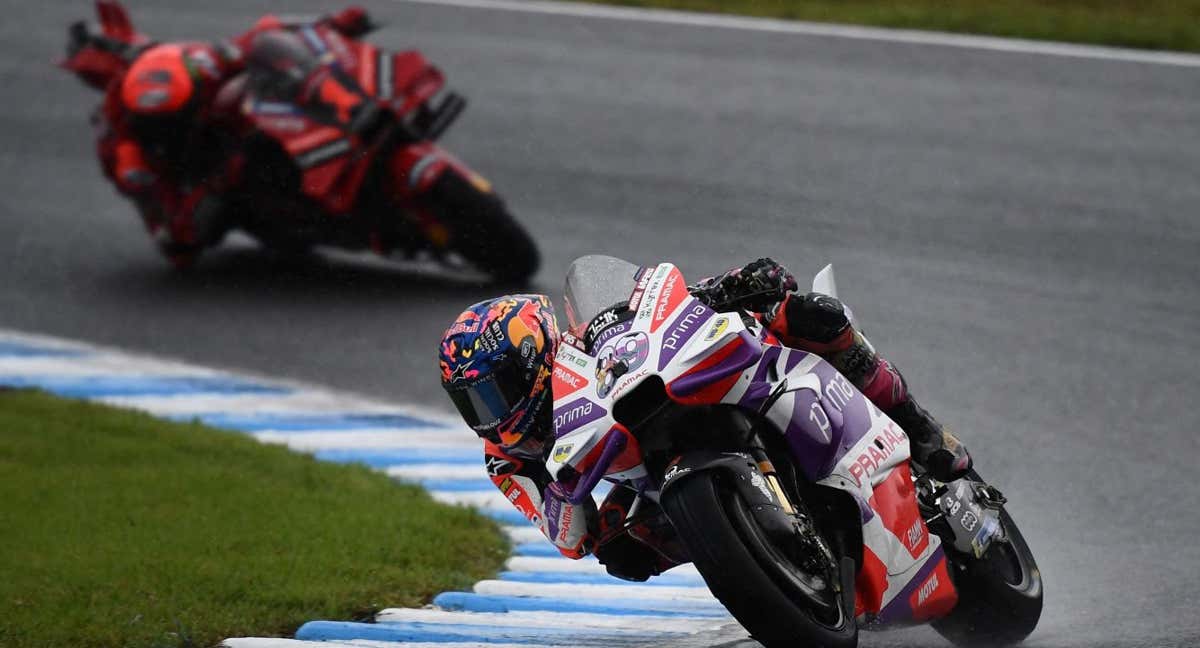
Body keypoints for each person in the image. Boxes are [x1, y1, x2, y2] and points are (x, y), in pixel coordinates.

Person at [436, 259, 971, 580]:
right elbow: (569, 538)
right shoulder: (508, 457)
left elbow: (659, 309)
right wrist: (568, 492)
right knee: (624, 557)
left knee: (808, 313)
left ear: (533, 353)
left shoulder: (584, 338)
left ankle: (916, 423)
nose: (491, 414)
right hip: (642, 482)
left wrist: (733, 284)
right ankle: (763, 563)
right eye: (474, 403)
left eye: (494, 391)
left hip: (687, 387)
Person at [89, 7, 373, 267]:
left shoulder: (207, 65)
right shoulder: (128, 146)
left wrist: (335, 24)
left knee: (277, 64)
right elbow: (173, 229)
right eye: (160, 123)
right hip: (188, 175)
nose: (168, 129)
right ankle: (279, 217)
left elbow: (264, 32)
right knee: (180, 243)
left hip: (227, 126)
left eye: (174, 120)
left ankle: (345, 104)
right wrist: (214, 181)